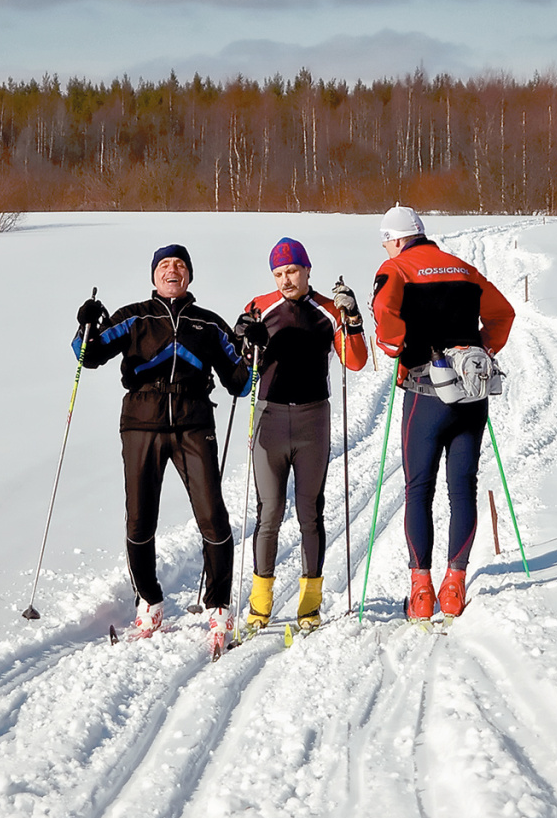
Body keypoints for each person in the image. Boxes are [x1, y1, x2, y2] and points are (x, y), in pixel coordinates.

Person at [73, 244, 251, 650]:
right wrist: (84, 324)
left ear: (189, 276)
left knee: (213, 517)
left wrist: (253, 349)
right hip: (141, 421)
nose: (173, 270)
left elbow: (240, 382)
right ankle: (149, 601)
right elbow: (89, 355)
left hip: (194, 421)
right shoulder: (135, 317)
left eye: (181, 265)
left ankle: (219, 605)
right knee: (139, 520)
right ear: (154, 276)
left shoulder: (208, 324)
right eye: (165, 265)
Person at [371, 206, 515, 619]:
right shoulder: (464, 269)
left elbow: (384, 314)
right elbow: (503, 312)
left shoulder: (396, 267)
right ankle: (454, 586)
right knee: (462, 488)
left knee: (419, 490)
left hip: (426, 391)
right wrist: (485, 348)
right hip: (472, 393)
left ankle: (421, 592)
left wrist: (395, 345)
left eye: (386, 241)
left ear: (396, 239)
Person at [234, 237, 368, 631]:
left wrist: (353, 320)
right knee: (269, 511)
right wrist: (243, 336)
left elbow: (356, 362)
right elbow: (242, 370)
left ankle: (310, 606)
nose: (285, 280)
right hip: (269, 417)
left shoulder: (328, 310)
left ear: (307, 269)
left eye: (292, 271)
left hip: (313, 419)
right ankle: (260, 607)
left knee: (310, 512)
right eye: (278, 273)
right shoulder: (260, 306)